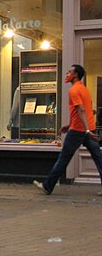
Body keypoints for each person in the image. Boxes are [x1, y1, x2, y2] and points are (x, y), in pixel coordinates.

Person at [35, 64, 102, 195]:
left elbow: (81, 110)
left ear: (76, 75)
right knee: (98, 157)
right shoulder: (84, 89)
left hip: (79, 130)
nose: (67, 74)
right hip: (88, 127)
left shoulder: (74, 91)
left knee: (64, 158)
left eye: (69, 72)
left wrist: (85, 130)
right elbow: (85, 111)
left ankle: (48, 186)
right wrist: (72, 124)